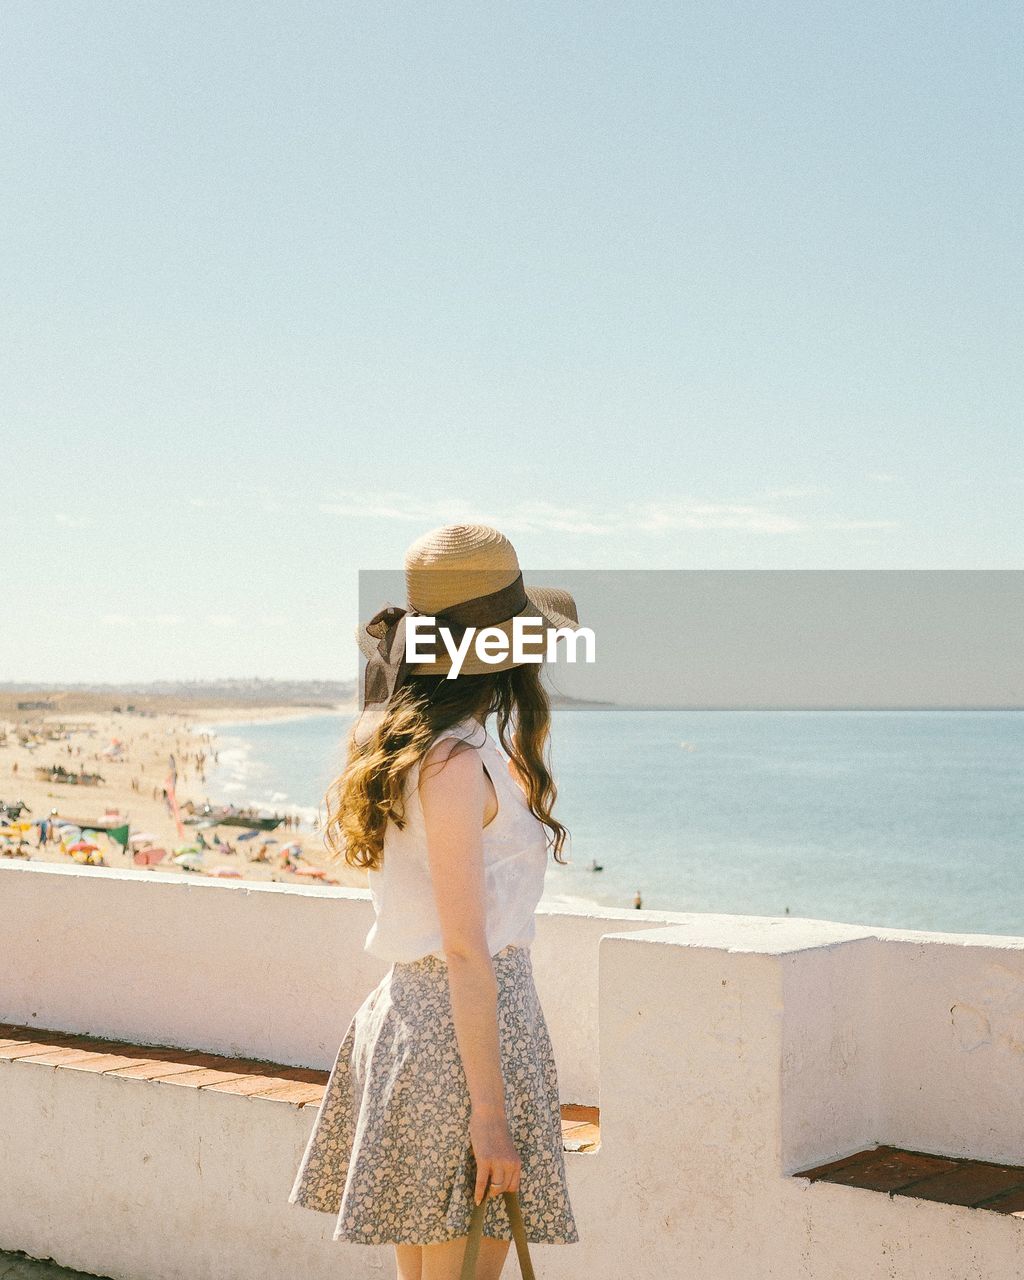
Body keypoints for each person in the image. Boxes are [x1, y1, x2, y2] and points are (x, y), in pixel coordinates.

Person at [289, 523, 581, 1280]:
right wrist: (490, 1117)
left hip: (420, 1028)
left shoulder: (416, 746)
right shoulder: (454, 763)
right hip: (462, 1044)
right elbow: (464, 949)